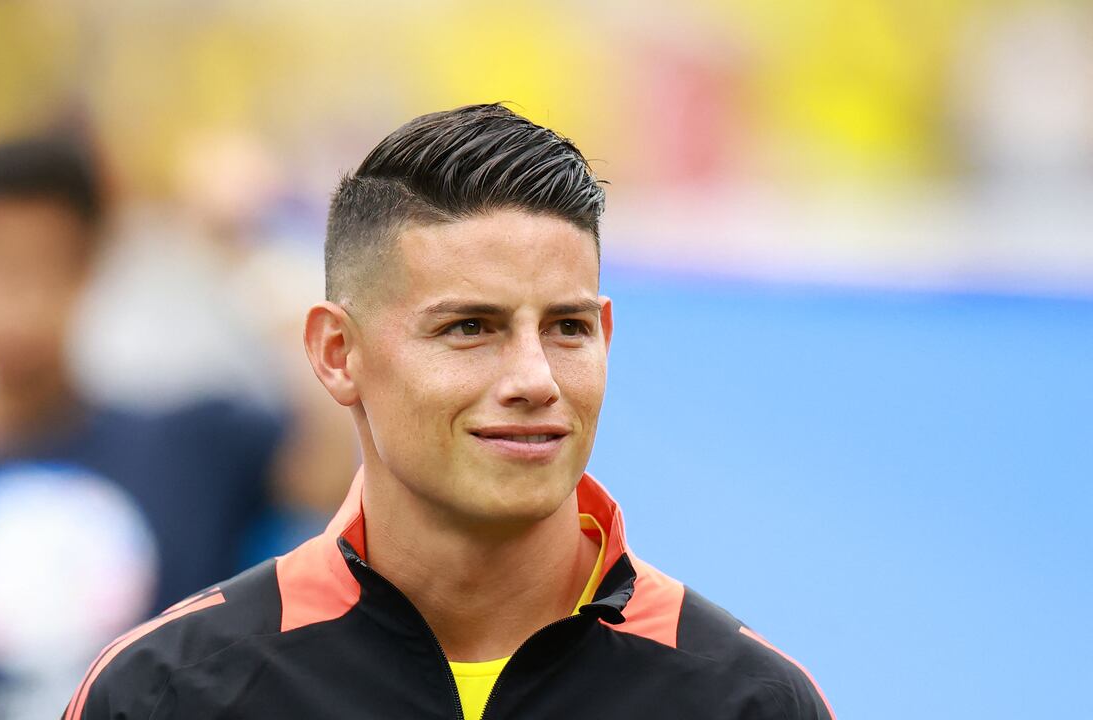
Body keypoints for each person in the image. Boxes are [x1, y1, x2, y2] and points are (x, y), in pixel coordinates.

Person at [64, 104, 836, 720]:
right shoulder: (166, 694)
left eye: (566, 328)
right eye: (470, 327)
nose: (535, 378)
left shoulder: (750, 702)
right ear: (338, 353)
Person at [0, 138, 303, 716]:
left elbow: (339, 450)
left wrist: (244, 253)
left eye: (46, 264)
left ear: (89, 267)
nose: (19, 300)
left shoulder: (193, 452)